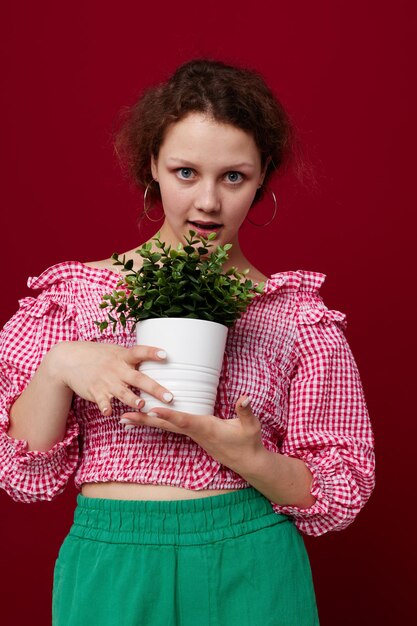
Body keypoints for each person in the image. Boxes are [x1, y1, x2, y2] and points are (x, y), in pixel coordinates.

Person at [0, 59, 375, 625]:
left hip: (251, 560)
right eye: (184, 172)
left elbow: (342, 488)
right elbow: (23, 476)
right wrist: (59, 366)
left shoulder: (295, 317)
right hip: (111, 563)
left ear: (262, 177)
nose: (207, 202)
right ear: (152, 164)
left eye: (233, 176)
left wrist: (249, 457)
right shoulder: (74, 297)